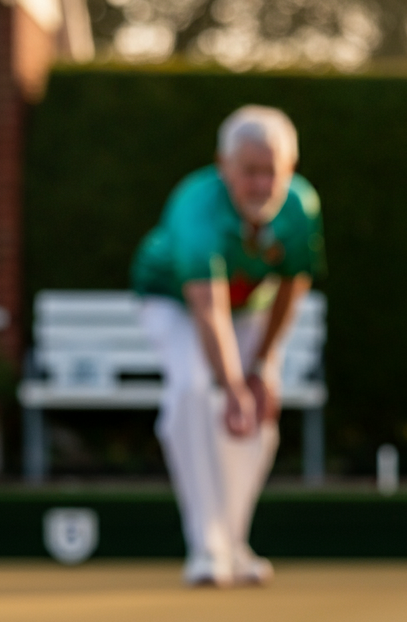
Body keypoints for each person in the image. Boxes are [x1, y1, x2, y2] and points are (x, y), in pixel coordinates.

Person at [131, 106, 324, 587]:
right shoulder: (196, 207)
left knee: (260, 407)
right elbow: (207, 309)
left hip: (248, 306)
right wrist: (232, 382)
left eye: (272, 172)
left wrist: (260, 366)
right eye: (249, 172)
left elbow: (290, 287)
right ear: (224, 166)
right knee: (195, 391)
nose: (261, 185)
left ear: (291, 167)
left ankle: (234, 544)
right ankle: (206, 548)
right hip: (172, 300)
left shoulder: (302, 206)